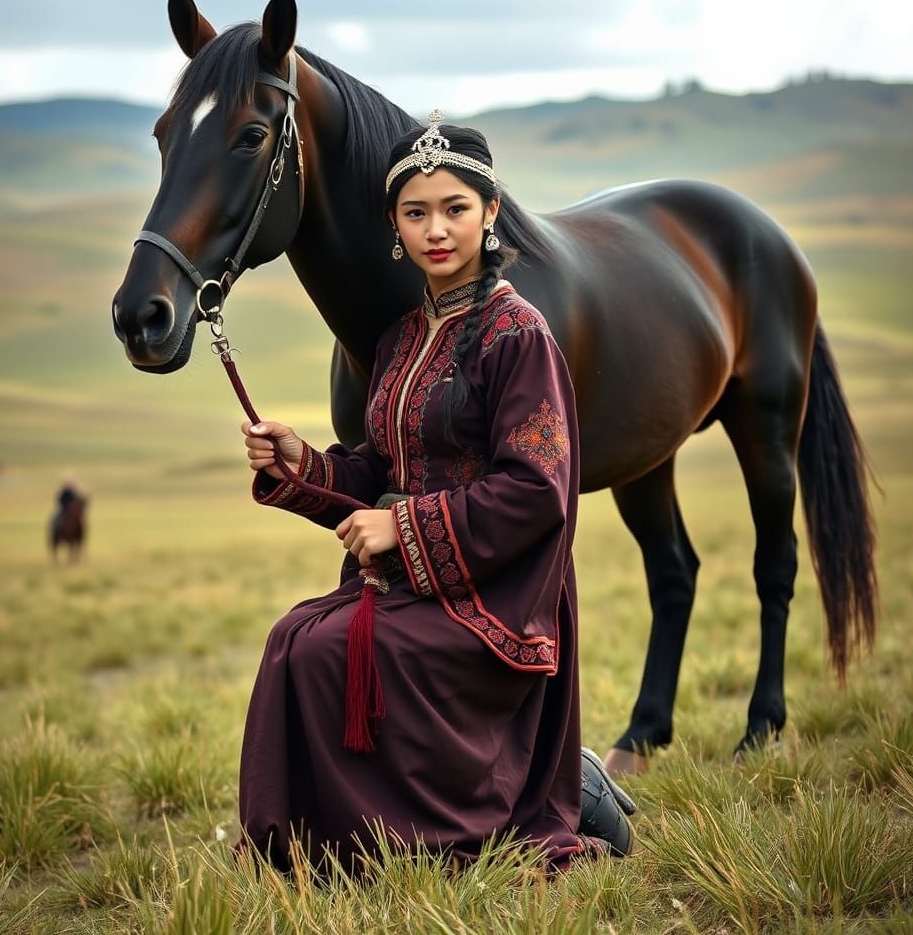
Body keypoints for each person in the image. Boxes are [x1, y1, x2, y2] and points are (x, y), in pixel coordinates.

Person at [237, 111, 632, 873]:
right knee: (293, 637)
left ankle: (410, 843)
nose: (436, 229)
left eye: (455, 208)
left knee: (322, 651)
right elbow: (378, 474)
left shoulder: (519, 336)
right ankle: (309, 851)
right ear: (394, 226)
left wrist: (402, 530)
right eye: (415, 213)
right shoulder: (401, 340)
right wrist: (300, 464)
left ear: (489, 214)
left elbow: (537, 492)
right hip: (417, 584)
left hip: (500, 597)